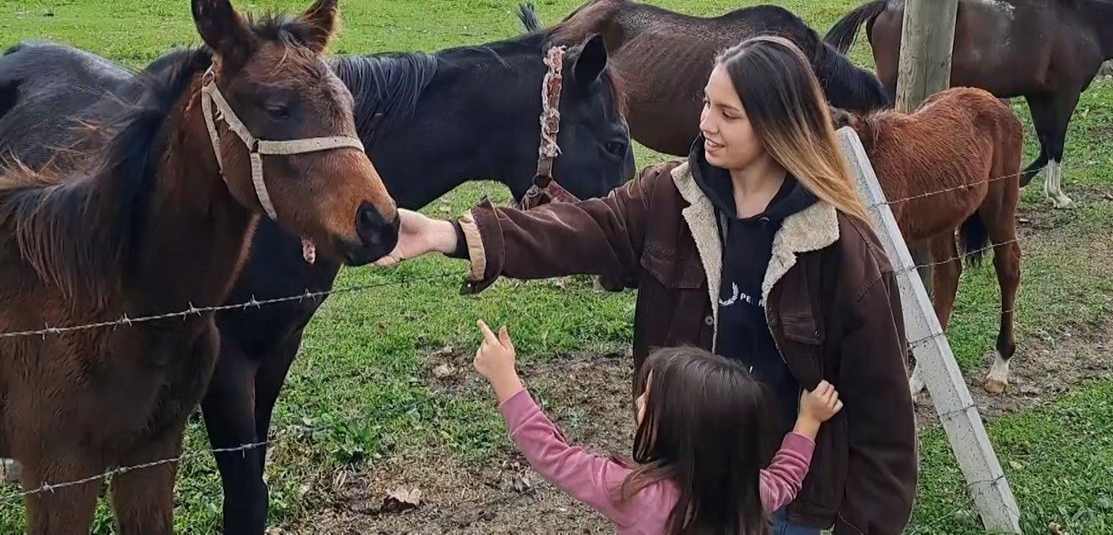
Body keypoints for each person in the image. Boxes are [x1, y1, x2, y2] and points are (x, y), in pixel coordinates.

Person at [377, 35, 918, 533]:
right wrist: (449, 234)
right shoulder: (667, 197)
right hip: (683, 489)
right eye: (707, 103)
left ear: (777, 125)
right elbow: (586, 228)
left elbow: (884, 428)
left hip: (781, 504)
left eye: (728, 114)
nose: (706, 123)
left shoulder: (842, 250)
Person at [473, 319, 844, 534]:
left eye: (648, 401)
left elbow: (554, 455)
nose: (637, 404)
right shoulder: (746, 491)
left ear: (680, 429)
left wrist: (505, 379)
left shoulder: (634, 493)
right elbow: (786, 480)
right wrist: (808, 420)